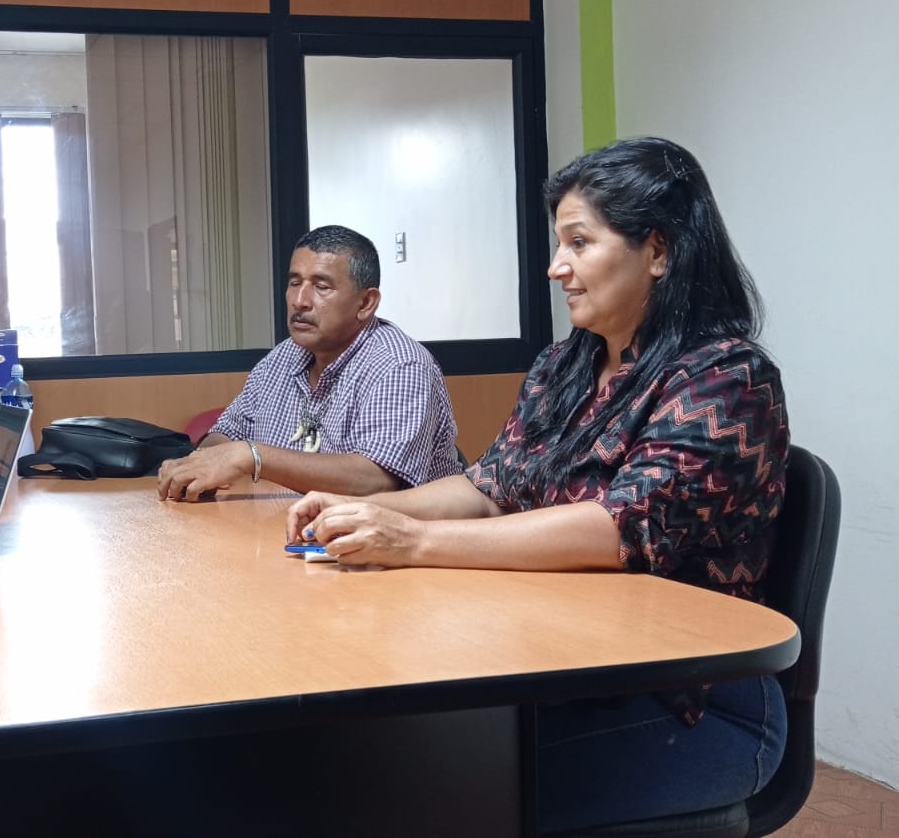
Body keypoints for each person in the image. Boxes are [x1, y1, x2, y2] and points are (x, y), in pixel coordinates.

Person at [284, 138, 790, 832]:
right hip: (559, 669)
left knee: (403, 789)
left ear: (659, 250)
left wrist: (413, 540)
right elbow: (488, 485)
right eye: (559, 244)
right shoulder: (564, 365)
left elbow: (618, 527)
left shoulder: (726, 378)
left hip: (683, 698)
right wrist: (361, 508)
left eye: (579, 243)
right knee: (359, 750)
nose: (557, 267)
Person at [157, 225, 461, 502]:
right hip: (285, 530)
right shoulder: (282, 358)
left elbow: (375, 480)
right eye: (294, 282)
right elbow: (228, 433)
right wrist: (203, 462)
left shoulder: (399, 365)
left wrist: (252, 457)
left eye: (321, 286)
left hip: (385, 539)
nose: (299, 300)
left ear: (366, 303)